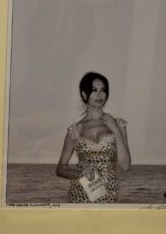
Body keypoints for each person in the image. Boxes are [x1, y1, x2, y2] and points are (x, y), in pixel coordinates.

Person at [55, 72, 130, 203]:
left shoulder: (118, 125)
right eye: (94, 90)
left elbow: (125, 166)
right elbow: (60, 168)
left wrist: (115, 130)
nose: (99, 95)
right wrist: (79, 174)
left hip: (109, 195)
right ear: (84, 94)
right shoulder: (75, 130)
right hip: (79, 195)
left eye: (103, 90)